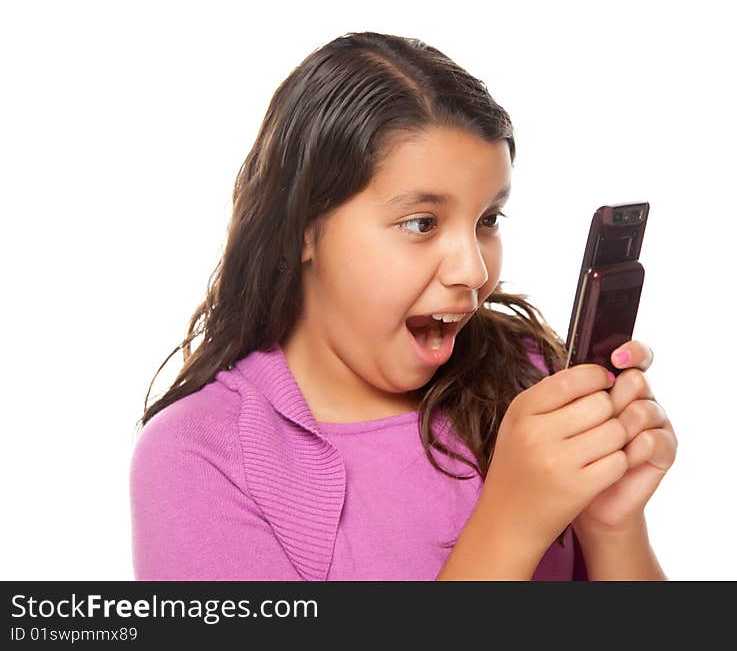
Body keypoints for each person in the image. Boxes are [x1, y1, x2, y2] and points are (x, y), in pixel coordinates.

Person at [129, 31, 677, 581]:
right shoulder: (199, 457)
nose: (474, 270)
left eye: (487, 220)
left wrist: (612, 525)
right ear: (303, 229)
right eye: (421, 223)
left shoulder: (528, 379)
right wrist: (512, 523)